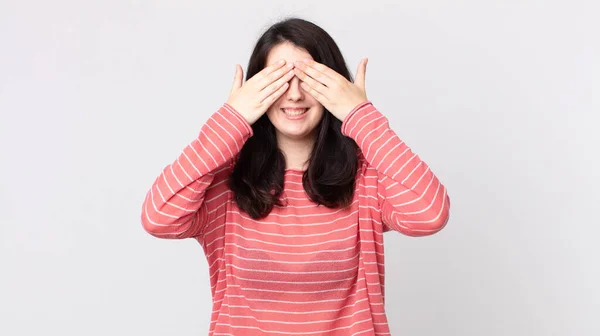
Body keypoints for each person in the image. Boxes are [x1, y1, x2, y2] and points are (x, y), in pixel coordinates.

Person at [141, 17, 451, 336]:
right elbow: (158, 218)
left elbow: (430, 214)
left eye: (309, 79)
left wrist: (360, 115)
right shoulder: (224, 184)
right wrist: (230, 120)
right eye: (279, 80)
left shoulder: (367, 178)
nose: (294, 95)